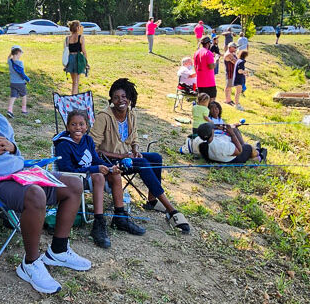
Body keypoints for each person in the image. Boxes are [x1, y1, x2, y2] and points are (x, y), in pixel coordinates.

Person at [0, 71, 90, 294]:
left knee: (74, 185)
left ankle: (58, 250)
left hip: (19, 171)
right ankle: (30, 263)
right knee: (36, 195)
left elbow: (14, 148)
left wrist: (13, 147)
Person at [91, 78, 190, 233]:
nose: (120, 101)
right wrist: (123, 155)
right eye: (116, 98)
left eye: (123, 97)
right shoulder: (104, 116)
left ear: (130, 98)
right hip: (109, 161)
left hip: (125, 156)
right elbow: (93, 148)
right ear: (111, 99)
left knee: (156, 157)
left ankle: (151, 200)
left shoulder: (131, 114)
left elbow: (134, 138)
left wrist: (135, 148)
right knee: (143, 163)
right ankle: (171, 210)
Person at [53, 110, 142, 249]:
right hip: (74, 179)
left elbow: (95, 160)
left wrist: (111, 167)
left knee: (115, 174)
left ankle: (120, 217)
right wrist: (96, 169)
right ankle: (98, 223)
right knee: (99, 176)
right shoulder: (63, 145)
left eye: (81, 124)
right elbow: (67, 170)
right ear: (68, 127)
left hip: (90, 174)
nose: (78, 128)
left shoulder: (87, 140)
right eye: (73, 124)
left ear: (87, 126)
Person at [192, 123, 265, 163]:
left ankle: (256, 151)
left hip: (218, 155)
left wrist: (218, 127)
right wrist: (232, 133)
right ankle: (259, 154)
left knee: (235, 132)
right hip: (233, 158)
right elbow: (239, 151)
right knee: (248, 147)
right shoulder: (221, 146)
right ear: (211, 132)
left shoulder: (198, 140)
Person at [64, 20, 89, 95]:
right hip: (78, 59)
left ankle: (74, 95)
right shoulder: (81, 37)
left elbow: (65, 51)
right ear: (78, 28)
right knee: (76, 82)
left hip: (70, 58)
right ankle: (74, 97)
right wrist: (86, 62)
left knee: (73, 81)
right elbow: (84, 51)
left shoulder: (67, 38)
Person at [7, 45, 30, 118]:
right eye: (20, 53)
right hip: (20, 83)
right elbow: (21, 73)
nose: (21, 55)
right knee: (24, 95)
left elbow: (8, 57)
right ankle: (24, 109)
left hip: (12, 82)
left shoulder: (10, 61)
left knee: (13, 96)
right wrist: (27, 79)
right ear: (18, 52)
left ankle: (10, 110)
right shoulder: (20, 63)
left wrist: (11, 53)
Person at [193, 36, 217, 100]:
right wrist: (216, 61)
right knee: (211, 100)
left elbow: (195, 66)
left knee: (201, 101)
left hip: (199, 81)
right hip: (209, 81)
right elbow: (211, 66)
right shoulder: (208, 53)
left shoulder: (196, 52)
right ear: (208, 44)